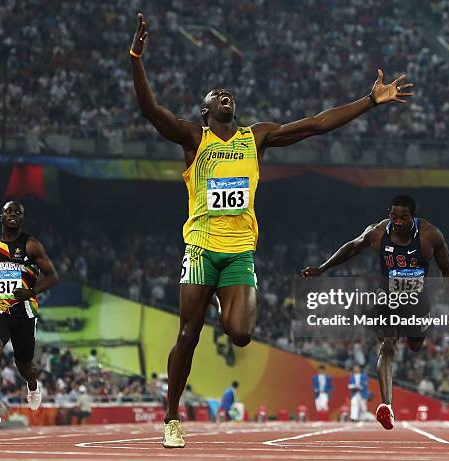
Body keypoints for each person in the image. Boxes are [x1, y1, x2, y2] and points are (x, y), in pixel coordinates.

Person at [129, 12, 414, 448]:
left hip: (240, 252)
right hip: (201, 247)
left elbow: (316, 124)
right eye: (216, 95)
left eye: (229, 92)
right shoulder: (193, 139)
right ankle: (171, 416)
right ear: (205, 111)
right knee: (187, 333)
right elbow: (150, 109)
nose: (225, 94)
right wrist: (136, 59)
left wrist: (370, 101)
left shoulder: (256, 137)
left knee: (241, 333)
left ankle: (229, 305)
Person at [302, 195, 449, 430]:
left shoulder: (430, 236)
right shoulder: (377, 232)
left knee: (416, 344)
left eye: (404, 217)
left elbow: (447, 271)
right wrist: (322, 268)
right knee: (387, 345)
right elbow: (352, 247)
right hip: (387, 296)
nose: (397, 222)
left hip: (418, 300)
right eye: (393, 216)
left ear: (413, 217)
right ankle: (387, 407)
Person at [0, 201, 59, 431]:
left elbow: (53, 276)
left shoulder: (31, 245)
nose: (13, 215)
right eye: (9, 211)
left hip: (24, 311)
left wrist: (31, 291)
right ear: (1, 216)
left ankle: (33, 384)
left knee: (24, 364)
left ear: (22, 219)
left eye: (18, 213)